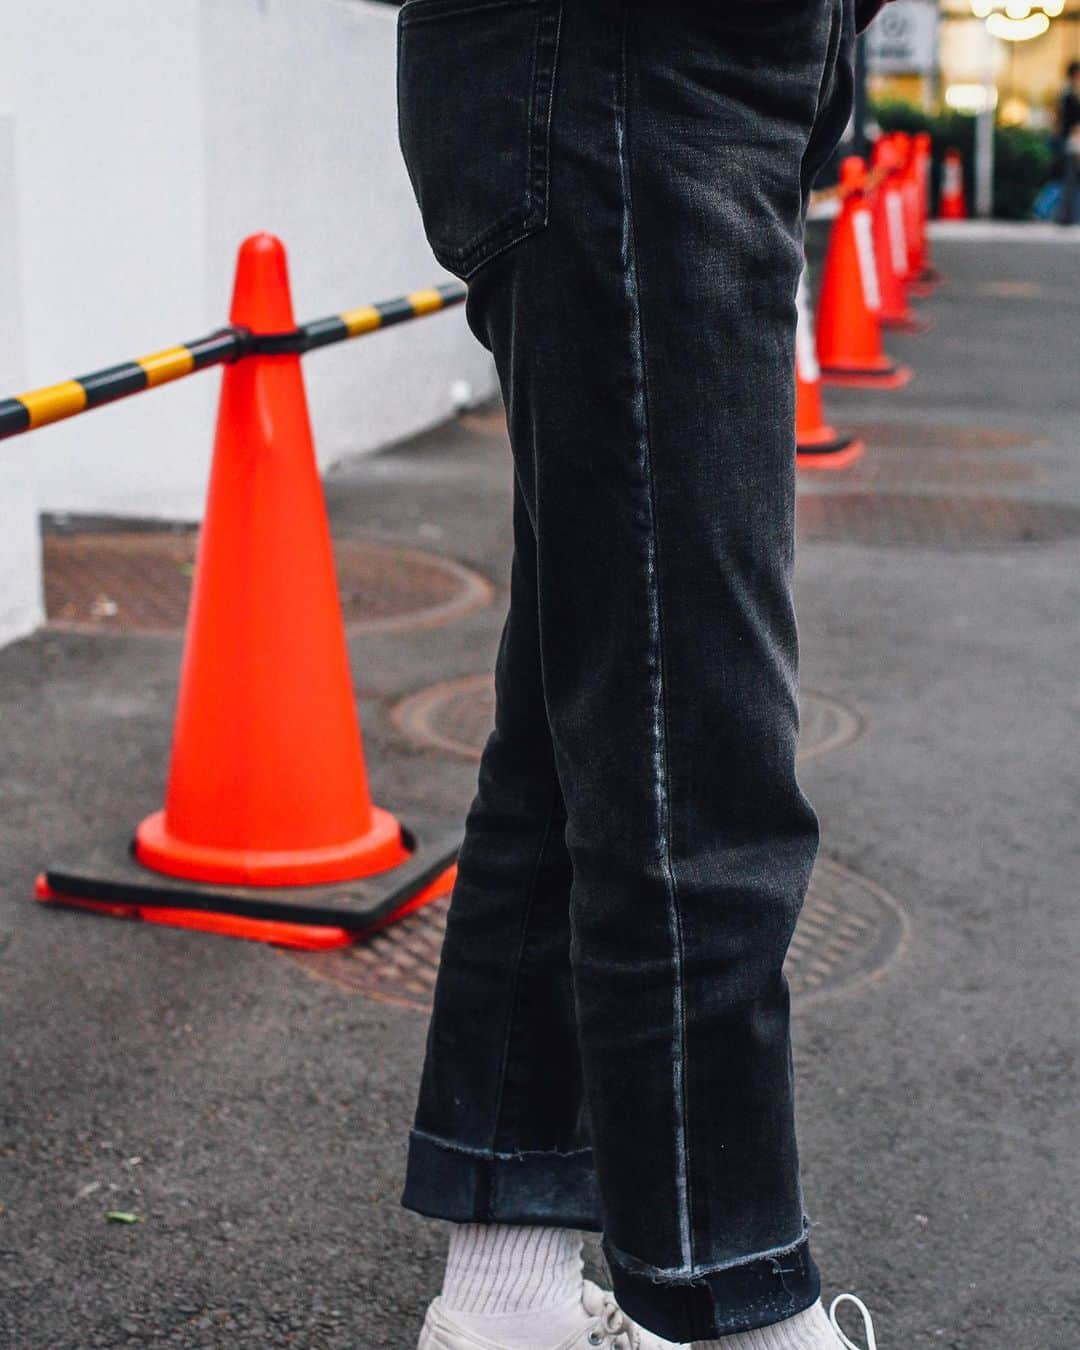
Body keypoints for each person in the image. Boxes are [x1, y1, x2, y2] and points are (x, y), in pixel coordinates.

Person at [394, 1, 892, 1346]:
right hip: (638, 74)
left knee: (587, 730)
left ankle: (504, 1300)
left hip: (643, 83)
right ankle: (745, 1313)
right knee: (693, 746)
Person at [1057, 60, 1080, 225]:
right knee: (1070, 179)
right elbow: (1070, 121)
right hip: (1073, 141)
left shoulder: (1069, 93)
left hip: (1072, 140)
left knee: (1070, 178)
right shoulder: (1070, 94)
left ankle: (1068, 215)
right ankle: (1066, 216)